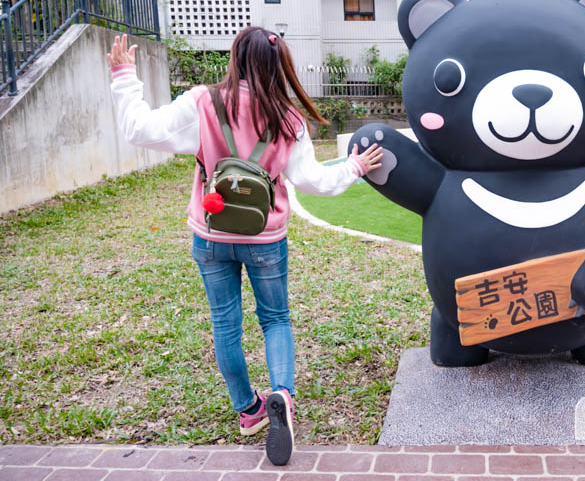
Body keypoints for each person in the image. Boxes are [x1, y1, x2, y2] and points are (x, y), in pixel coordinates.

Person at [107, 28, 382, 465]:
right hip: (265, 238)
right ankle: (282, 395)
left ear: (235, 57)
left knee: (225, 324)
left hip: (212, 233)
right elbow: (312, 182)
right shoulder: (289, 119)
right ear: (280, 65)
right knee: (275, 318)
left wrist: (124, 77)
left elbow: (139, 129)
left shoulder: (202, 102)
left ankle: (249, 410)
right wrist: (353, 166)